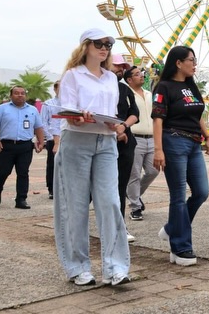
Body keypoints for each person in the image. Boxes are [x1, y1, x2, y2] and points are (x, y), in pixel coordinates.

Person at [53, 28, 131, 287]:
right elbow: (68, 111)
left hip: (106, 141)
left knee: (110, 202)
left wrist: (116, 125)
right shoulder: (72, 76)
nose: (105, 48)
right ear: (85, 46)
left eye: (108, 44)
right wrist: (78, 115)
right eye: (99, 43)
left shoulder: (111, 78)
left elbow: (111, 111)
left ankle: (115, 267)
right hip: (77, 140)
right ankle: (78, 267)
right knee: (74, 206)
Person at [151, 46, 209, 266]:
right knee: (177, 195)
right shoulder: (164, 87)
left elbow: (197, 113)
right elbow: (157, 119)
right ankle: (180, 248)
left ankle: (171, 228)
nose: (194, 64)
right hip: (173, 141)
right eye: (191, 60)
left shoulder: (191, 86)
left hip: (194, 144)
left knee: (202, 192)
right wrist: (158, 150)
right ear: (178, 63)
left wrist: (207, 136)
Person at [0, 86, 45, 209]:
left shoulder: (33, 110)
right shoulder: (2, 108)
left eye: (22, 93)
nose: (20, 95)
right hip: (6, 145)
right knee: (3, 172)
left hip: (25, 146)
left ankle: (21, 199)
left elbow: (38, 127)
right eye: (16, 93)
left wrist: (41, 141)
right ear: (11, 95)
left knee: (23, 173)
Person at [111, 53, 139, 243]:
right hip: (102, 140)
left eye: (122, 67)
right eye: (117, 66)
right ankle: (74, 226)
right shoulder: (96, 88)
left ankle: (119, 226)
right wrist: (114, 130)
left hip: (125, 143)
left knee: (120, 186)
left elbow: (134, 113)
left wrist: (123, 126)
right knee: (90, 188)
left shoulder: (124, 89)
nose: (120, 70)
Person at [125, 65, 158, 222]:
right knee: (134, 174)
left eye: (141, 73)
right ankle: (135, 208)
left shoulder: (149, 94)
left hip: (151, 137)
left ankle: (134, 195)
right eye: (137, 74)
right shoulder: (126, 94)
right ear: (129, 80)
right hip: (135, 137)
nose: (142, 76)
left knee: (153, 171)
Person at [41, 81, 62, 199]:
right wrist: (52, 138)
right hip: (52, 140)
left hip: (68, 139)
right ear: (55, 89)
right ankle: (52, 189)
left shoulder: (70, 104)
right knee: (52, 165)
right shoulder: (48, 104)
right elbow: (43, 122)